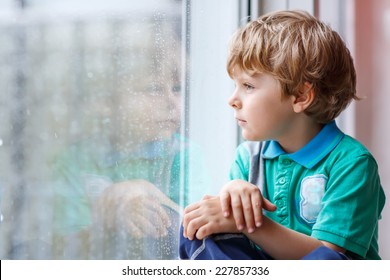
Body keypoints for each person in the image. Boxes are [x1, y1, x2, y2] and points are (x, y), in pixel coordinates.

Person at [180, 10, 386, 260]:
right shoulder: (248, 158)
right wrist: (231, 195)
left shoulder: (352, 164)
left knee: (326, 260)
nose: (232, 100)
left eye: (248, 86)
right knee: (197, 226)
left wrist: (249, 224)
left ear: (300, 96)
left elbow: (328, 257)